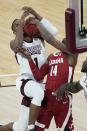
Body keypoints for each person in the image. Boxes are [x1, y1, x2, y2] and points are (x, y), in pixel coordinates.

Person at [0, 7, 58, 131]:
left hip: (37, 84)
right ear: (14, 32)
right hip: (25, 81)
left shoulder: (39, 38)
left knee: (20, 128)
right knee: (39, 93)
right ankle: (31, 128)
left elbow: (53, 32)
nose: (20, 25)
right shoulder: (14, 43)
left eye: (21, 23)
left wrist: (36, 16)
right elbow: (18, 45)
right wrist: (22, 21)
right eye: (16, 25)